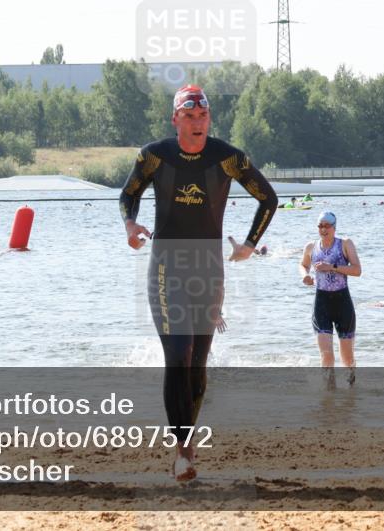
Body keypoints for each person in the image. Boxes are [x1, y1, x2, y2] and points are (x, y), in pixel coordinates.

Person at [120, 84, 277, 482]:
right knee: (179, 351)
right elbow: (129, 193)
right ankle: (183, 450)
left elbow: (268, 198)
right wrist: (130, 224)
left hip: (208, 268)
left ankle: (185, 443)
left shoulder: (228, 159)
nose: (196, 123)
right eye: (188, 116)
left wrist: (249, 244)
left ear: (209, 119)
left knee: (197, 364)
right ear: (175, 120)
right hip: (166, 266)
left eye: (202, 116)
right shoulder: (155, 155)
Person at [299, 211, 362, 386]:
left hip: (342, 303)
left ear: (334, 227)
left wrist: (332, 267)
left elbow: (357, 270)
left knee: (347, 358)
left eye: (327, 225)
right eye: (320, 225)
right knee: (326, 354)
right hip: (322, 303)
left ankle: (351, 389)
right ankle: (330, 393)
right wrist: (305, 275)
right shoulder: (311, 247)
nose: (323, 229)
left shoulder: (345, 244)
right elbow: (303, 264)